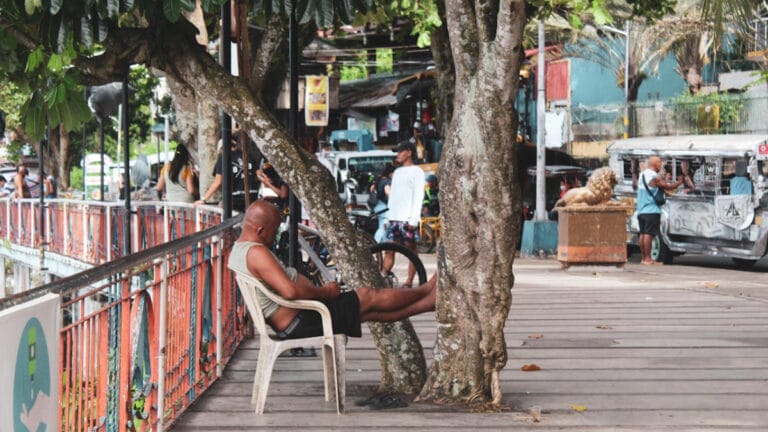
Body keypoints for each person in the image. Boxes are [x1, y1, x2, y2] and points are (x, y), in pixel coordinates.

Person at [228, 201, 437, 340]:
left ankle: (428, 302)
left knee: (370, 311)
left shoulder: (239, 249)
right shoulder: (256, 253)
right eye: (273, 231)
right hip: (301, 320)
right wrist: (325, 292)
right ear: (260, 230)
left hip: (299, 318)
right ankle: (425, 291)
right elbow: (290, 292)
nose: (274, 236)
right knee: (368, 296)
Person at [383, 142, 426, 287]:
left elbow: (418, 196)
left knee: (411, 251)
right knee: (389, 249)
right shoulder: (397, 172)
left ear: (409, 153)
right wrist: (388, 217)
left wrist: (414, 219)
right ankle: (383, 278)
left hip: (408, 218)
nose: (398, 155)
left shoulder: (417, 172)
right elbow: (393, 196)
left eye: (401, 151)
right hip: (394, 217)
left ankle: (409, 281)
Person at [636, 156, 684, 265]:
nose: (661, 166)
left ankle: (644, 258)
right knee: (649, 234)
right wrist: (679, 182)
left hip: (641, 210)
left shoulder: (642, 175)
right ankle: (648, 259)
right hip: (651, 210)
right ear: (656, 164)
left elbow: (655, 189)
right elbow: (667, 186)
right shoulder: (653, 177)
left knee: (643, 234)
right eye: (660, 164)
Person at [197, 138, 260, 211]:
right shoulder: (249, 156)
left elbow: (218, 182)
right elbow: (259, 176)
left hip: (234, 198)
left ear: (221, 149)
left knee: (221, 211)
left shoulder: (223, 158)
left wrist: (204, 199)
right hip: (252, 195)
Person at [371, 163, 395, 243]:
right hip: (384, 207)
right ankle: (376, 244)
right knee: (383, 228)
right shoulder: (386, 181)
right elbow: (388, 192)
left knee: (382, 226)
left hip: (378, 205)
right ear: (390, 173)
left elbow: (371, 189)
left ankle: (382, 244)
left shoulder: (379, 180)